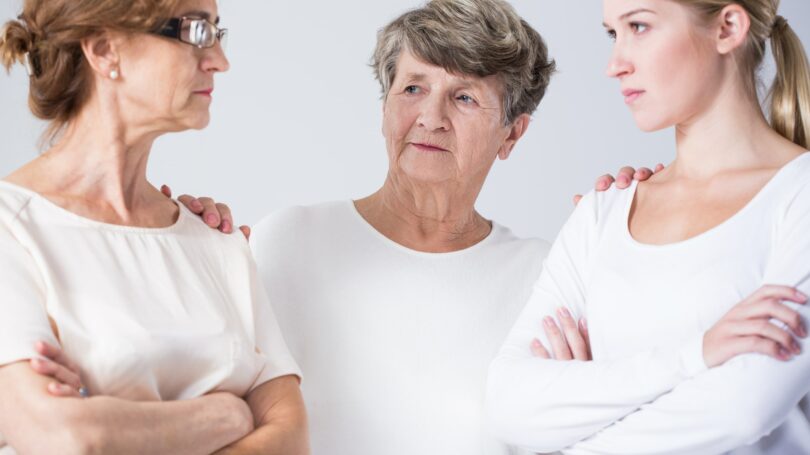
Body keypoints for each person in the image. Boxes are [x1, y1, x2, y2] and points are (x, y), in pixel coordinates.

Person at [25, 0, 655, 453]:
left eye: (464, 98)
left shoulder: (552, 278)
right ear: (384, 106)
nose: (430, 117)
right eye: (412, 88)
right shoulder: (285, 240)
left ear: (513, 134)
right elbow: (198, 380)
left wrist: (646, 224)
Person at [486, 0, 810, 453]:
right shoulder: (602, 212)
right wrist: (695, 356)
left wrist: (578, 409)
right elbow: (510, 409)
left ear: (728, 27)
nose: (614, 65)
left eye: (639, 26)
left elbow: (742, 410)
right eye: (612, 34)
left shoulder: (799, 196)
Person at [0, 1, 307, 454]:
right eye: (196, 31)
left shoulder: (214, 239)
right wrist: (228, 414)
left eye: (218, 33)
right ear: (105, 50)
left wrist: (120, 425)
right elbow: (67, 436)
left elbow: (292, 438)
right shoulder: (12, 227)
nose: (220, 61)